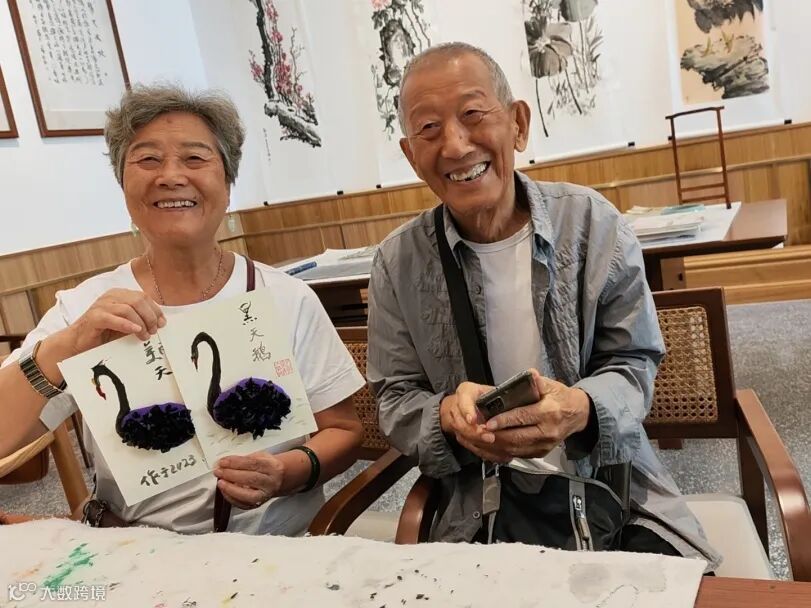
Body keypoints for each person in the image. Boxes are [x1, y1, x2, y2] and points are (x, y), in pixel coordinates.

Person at [366, 42, 720, 570]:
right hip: (480, 508)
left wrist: (581, 408)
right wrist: (445, 416)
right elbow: (395, 398)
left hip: (613, 489)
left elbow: (634, 361)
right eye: (429, 128)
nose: (456, 145)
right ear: (411, 154)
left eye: (472, 114)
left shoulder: (593, 224)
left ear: (518, 123)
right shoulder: (398, 263)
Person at [0, 84, 365, 535]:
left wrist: (287, 472)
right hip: (134, 549)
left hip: (274, 546)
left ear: (227, 182)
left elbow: (343, 430)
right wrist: (68, 346)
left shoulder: (287, 297)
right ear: (123, 184)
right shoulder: (83, 309)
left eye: (194, 158)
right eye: (148, 159)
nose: (171, 176)